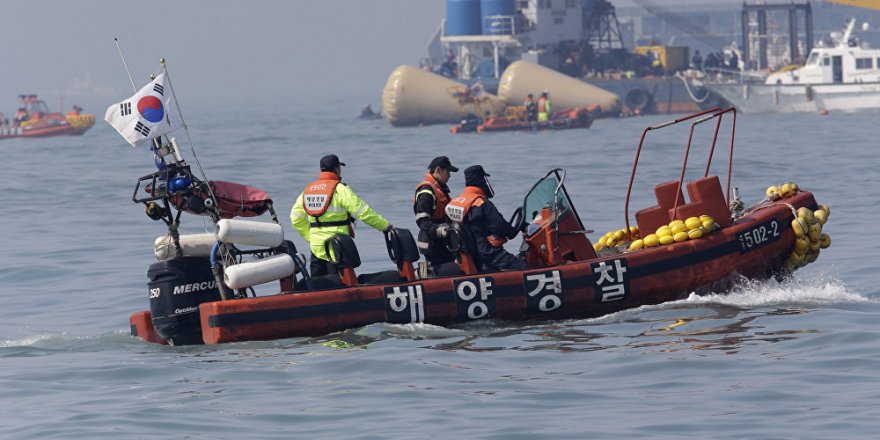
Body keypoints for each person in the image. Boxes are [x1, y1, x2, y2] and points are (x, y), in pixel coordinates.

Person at [291, 154, 393, 276]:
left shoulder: (308, 190)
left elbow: (295, 218)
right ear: (336, 169)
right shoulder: (340, 189)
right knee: (340, 285)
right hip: (337, 248)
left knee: (317, 285)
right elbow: (363, 212)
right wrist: (385, 227)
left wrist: (310, 237)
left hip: (316, 248)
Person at [445, 165, 527, 271]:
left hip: (472, 255)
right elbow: (503, 228)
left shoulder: (458, 202)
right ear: (481, 180)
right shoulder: (482, 204)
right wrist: (518, 224)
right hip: (490, 254)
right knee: (524, 268)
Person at [414, 156, 459, 268]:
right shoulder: (426, 192)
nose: (449, 175)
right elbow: (422, 221)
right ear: (438, 170)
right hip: (434, 244)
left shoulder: (439, 189)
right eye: (447, 171)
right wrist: (441, 231)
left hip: (443, 242)